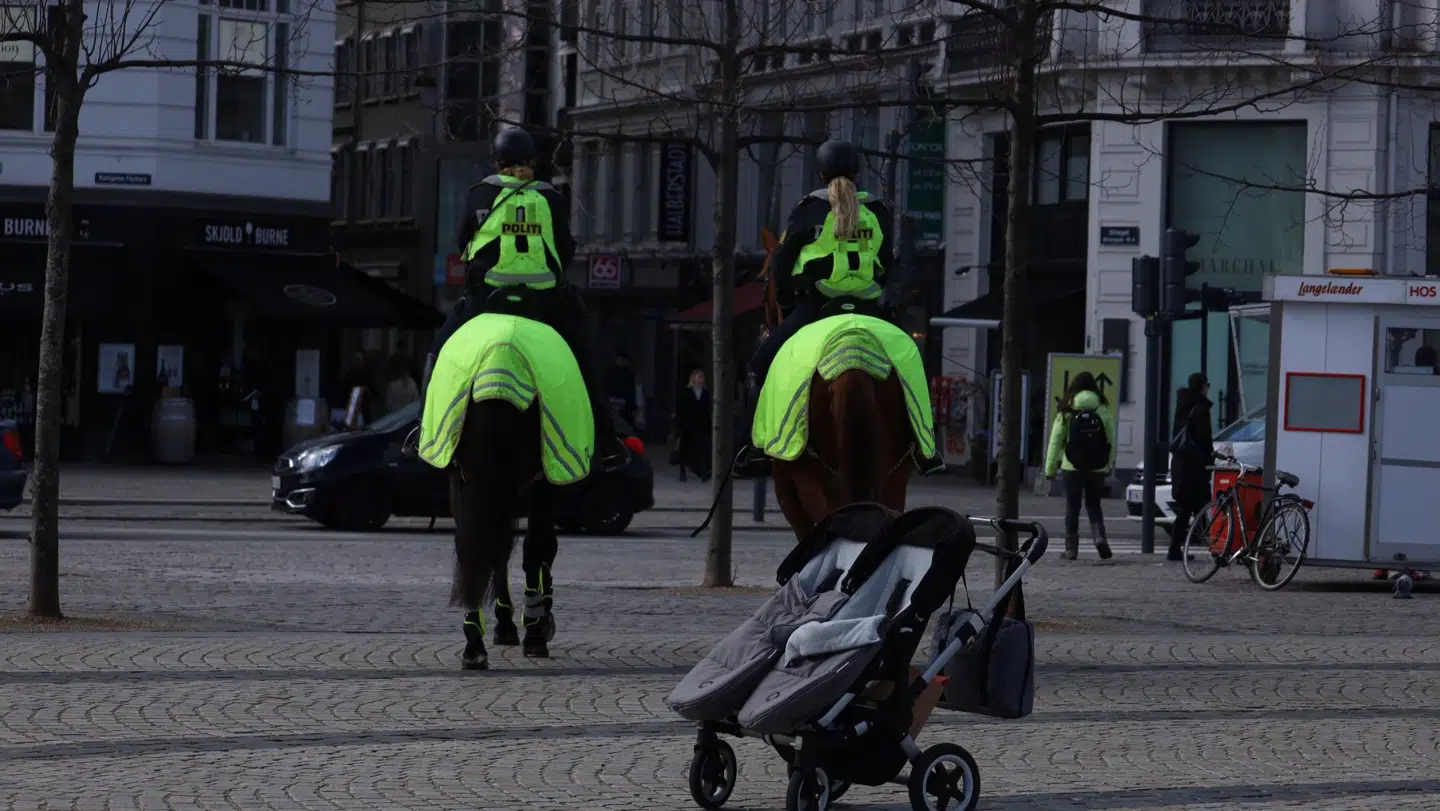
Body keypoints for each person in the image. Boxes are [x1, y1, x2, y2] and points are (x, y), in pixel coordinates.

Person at [733, 138, 945, 477]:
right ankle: (926, 449)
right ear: (858, 173)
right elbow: (887, 266)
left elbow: (781, 267)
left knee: (759, 367)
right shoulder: (876, 210)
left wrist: (786, 303)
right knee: (911, 361)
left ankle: (754, 448)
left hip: (815, 307)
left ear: (820, 174)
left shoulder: (809, 209)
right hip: (866, 308)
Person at [417, 127, 624, 468]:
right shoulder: (551, 198)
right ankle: (606, 441)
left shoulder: (479, 194)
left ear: (498, 162)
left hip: (486, 300)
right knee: (587, 360)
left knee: (437, 354)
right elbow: (565, 251)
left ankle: (422, 434)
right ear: (532, 162)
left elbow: (462, 243)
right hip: (545, 303)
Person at [1043, 371, 1115, 561]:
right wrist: (1108, 465)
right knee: (1094, 506)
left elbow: (1055, 440)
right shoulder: (1103, 407)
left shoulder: (1067, 408)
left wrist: (1050, 469)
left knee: (1072, 508)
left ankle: (1071, 550)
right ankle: (1099, 538)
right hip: (1097, 467)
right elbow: (1111, 440)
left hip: (1071, 466)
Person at [1168, 372, 1215, 561]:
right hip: (1196, 465)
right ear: (1203, 386)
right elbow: (1205, 438)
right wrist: (1209, 461)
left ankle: (1176, 549)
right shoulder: (1201, 408)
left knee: (1186, 508)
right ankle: (1215, 546)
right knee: (1202, 505)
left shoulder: (1182, 405)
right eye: (1207, 385)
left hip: (1181, 463)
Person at [673, 368, 711, 482]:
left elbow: (707, 410)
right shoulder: (686, 392)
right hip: (687, 425)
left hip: (701, 425)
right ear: (693, 378)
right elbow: (680, 409)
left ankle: (702, 472)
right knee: (685, 449)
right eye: (699, 377)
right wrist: (679, 427)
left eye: (702, 377)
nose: (701, 379)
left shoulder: (705, 393)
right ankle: (683, 471)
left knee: (701, 448)